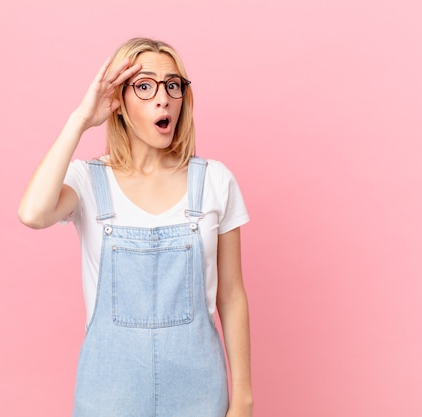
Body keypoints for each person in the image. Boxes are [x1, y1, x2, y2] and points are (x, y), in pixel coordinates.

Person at [18, 37, 252, 417]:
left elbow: (232, 295)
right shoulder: (88, 181)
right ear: (120, 103)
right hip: (108, 397)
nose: (163, 99)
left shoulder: (215, 181)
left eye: (172, 85)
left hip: (199, 397)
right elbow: (32, 213)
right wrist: (80, 119)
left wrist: (242, 399)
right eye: (144, 86)